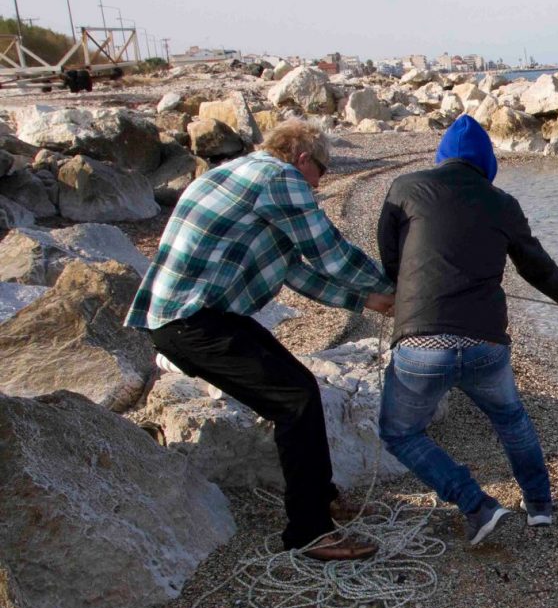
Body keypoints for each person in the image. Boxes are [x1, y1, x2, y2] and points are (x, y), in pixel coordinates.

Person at [125, 119, 395, 561]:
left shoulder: (236, 173)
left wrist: (367, 299)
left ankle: (321, 496)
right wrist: (390, 285)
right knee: (296, 400)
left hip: (194, 317)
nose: (318, 186)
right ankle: (309, 533)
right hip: (192, 322)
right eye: (321, 173)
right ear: (304, 157)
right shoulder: (279, 177)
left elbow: (295, 270)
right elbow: (327, 248)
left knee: (299, 386)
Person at [376, 114, 558, 545]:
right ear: (486, 162)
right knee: (511, 420)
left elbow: (391, 256)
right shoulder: (503, 203)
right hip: (484, 345)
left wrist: (404, 295)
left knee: (400, 432)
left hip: (422, 343)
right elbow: (534, 263)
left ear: (442, 157)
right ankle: (540, 506)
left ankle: (476, 504)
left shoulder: (406, 188)